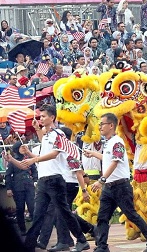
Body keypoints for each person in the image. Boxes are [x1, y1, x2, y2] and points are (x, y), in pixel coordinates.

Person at [83, 113, 147, 252]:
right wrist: (93, 154)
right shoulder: (109, 142)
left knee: (131, 215)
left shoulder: (117, 141)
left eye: (102, 124)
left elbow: (115, 161)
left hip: (120, 186)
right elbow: (108, 159)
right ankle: (102, 246)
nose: (100, 126)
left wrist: (101, 180)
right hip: (109, 186)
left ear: (111, 125)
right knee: (102, 217)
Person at [19, 104, 90, 252]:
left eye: (44, 116)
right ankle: (29, 245)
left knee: (64, 212)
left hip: (55, 180)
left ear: (52, 117)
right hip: (44, 180)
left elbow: (54, 153)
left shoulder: (59, 134)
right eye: (40, 116)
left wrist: (34, 160)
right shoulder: (46, 135)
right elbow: (44, 150)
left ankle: (82, 240)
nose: (41, 118)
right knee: (38, 215)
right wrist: (38, 130)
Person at [5, 140, 37, 235]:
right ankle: (22, 229)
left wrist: (35, 180)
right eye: (21, 147)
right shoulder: (13, 161)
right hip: (18, 187)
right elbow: (8, 175)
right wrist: (9, 188)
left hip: (29, 185)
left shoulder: (29, 159)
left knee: (32, 207)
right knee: (20, 208)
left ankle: (35, 229)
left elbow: (34, 170)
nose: (23, 149)